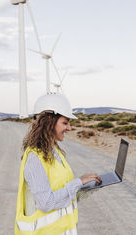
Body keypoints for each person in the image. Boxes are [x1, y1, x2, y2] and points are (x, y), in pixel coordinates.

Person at [15, 93, 101, 235]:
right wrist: (78, 182)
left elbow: (63, 194)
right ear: (48, 122)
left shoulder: (54, 152)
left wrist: (86, 187)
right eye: (65, 123)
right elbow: (47, 203)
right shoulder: (35, 158)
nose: (69, 128)